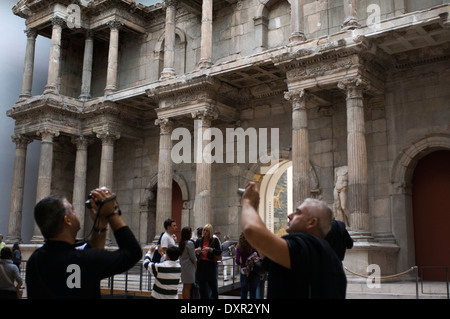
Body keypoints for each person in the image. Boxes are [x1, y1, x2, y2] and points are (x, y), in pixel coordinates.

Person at [26, 187, 142, 299]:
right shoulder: (83, 261)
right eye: (73, 210)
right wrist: (111, 214)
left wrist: (100, 226)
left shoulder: (35, 260)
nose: (76, 213)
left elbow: (87, 260)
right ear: (67, 220)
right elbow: (133, 252)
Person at [241, 182, 347, 299]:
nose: (290, 215)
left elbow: (250, 230)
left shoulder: (305, 246)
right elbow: (265, 251)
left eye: (298, 212)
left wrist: (248, 202)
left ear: (312, 222)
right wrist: (254, 207)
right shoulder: (325, 255)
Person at [194, 224, 221, 299]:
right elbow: (194, 252)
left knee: (213, 286)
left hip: (210, 264)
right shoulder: (199, 240)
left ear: (210, 232)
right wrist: (196, 251)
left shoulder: (214, 240)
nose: (205, 232)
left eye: (207, 231)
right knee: (202, 287)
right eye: (204, 230)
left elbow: (219, 252)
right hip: (201, 264)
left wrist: (210, 249)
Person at [236, 232, 259, 299]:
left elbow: (237, 260)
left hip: (244, 271)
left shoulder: (239, 248)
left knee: (244, 292)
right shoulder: (254, 246)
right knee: (253, 292)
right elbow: (259, 257)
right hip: (254, 270)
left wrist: (241, 264)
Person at [179, 226, 197, 299]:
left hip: (183, 266)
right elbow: (193, 257)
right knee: (188, 288)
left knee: (185, 287)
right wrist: (196, 266)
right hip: (189, 267)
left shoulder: (181, 243)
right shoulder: (189, 243)